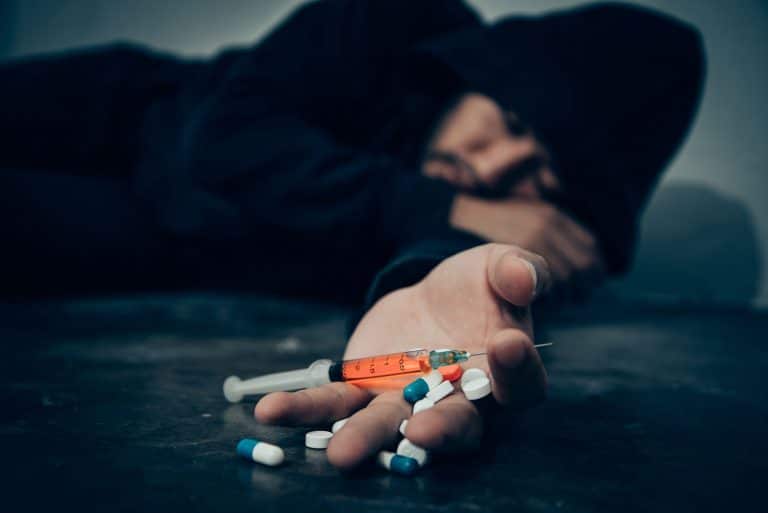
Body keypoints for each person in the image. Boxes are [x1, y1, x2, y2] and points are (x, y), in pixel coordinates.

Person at [0, 1, 704, 469]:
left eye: (537, 184)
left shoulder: (466, 213)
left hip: (165, 239)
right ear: (488, 73)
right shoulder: (397, 21)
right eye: (514, 124)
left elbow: (439, 267)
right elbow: (223, 142)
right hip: (115, 116)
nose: (489, 171)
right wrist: (446, 208)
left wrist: (482, 271)